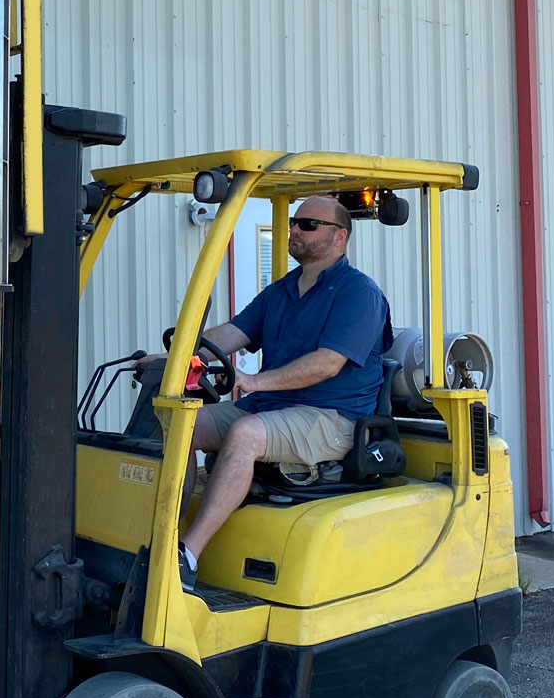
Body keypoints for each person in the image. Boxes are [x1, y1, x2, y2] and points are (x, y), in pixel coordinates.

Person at [139, 195, 392, 590]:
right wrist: (173, 357)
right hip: (273, 407)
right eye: (293, 222)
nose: (294, 230)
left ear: (339, 236)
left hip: (332, 418)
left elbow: (328, 363)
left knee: (246, 434)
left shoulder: (358, 293)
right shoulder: (281, 292)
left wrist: (255, 381)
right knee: (179, 423)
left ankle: (186, 556)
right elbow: (229, 336)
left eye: (308, 224)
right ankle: (158, 538)